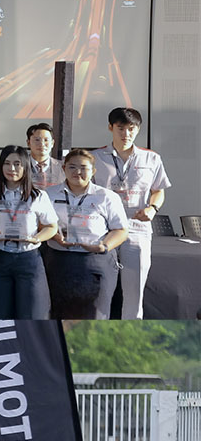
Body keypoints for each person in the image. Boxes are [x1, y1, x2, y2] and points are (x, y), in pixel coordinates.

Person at [91, 107, 172, 320]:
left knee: (134, 292)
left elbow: (158, 191)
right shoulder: (95, 157)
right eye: (120, 128)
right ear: (110, 128)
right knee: (100, 293)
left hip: (137, 229)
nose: (126, 134)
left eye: (131, 128)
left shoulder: (151, 158)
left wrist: (153, 208)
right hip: (103, 230)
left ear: (138, 129)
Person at [44, 149, 129, 320]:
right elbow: (41, 223)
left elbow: (120, 230)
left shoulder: (107, 197)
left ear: (93, 171)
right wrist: (55, 236)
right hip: (58, 260)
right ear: (63, 168)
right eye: (72, 167)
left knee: (96, 315)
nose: (77, 172)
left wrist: (104, 246)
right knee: (57, 313)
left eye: (83, 168)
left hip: (95, 261)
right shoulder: (48, 195)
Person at [0, 146, 58, 319]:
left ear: (25, 166)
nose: (12, 169)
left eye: (17, 164)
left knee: (32, 314)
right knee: (1, 314)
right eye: (7, 163)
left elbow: (52, 226)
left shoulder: (38, 195)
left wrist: (36, 238)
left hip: (28, 258)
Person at [27, 123, 63, 189]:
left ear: (52, 143)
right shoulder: (21, 166)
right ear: (28, 143)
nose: (42, 144)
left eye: (46, 140)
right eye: (37, 140)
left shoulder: (62, 168)